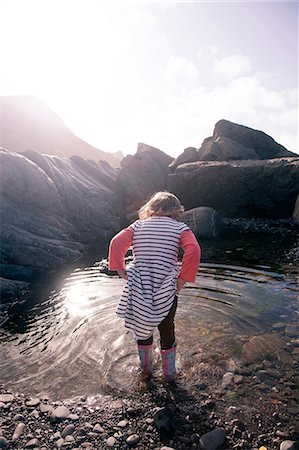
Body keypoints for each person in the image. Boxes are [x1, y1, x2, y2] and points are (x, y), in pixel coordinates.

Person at [108, 191, 201, 382]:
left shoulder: (138, 225)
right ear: (176, 211)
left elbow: (116, 242)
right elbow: (193, 249)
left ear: (150, 208)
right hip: (166, 286)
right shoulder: (180, 228)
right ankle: (169, 375)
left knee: (142, 328)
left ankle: (146, 371)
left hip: (139, 285)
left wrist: (120, 269)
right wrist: (182, 279)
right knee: (167, 328)